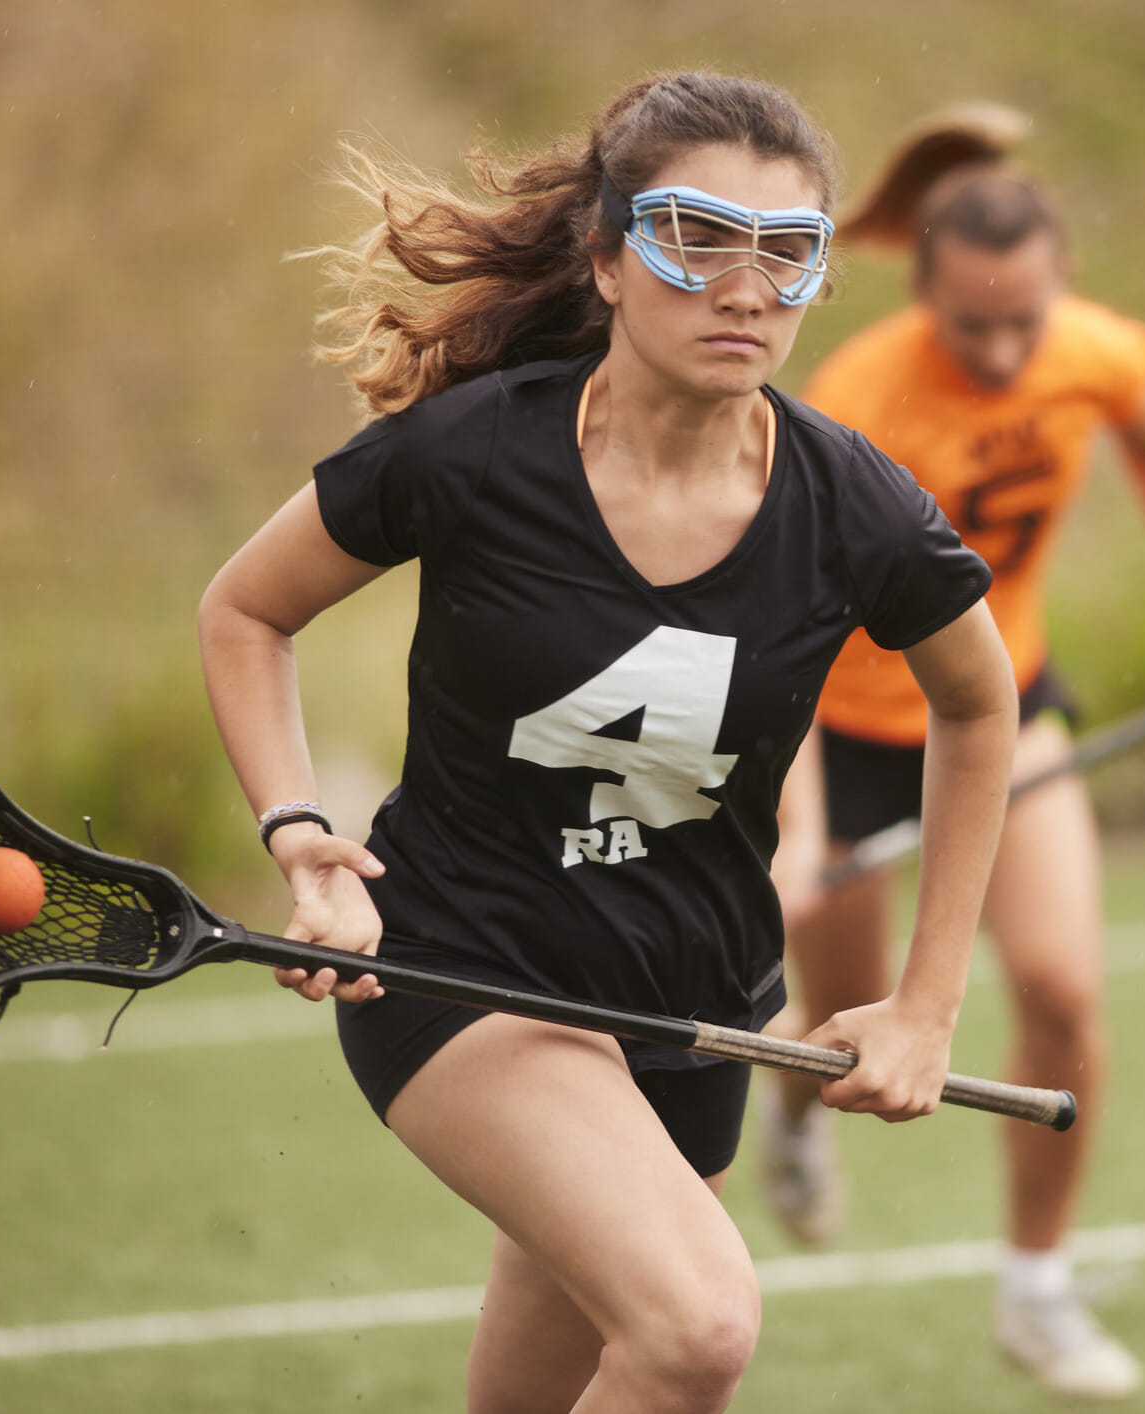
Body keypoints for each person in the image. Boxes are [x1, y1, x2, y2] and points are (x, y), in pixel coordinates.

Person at [197, 73, 1019, 1414]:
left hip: (691, 1000)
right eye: (696, 238)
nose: (745, 288)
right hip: (461, 963)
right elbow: (244, 611)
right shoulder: (468, 455)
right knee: (696, 1326)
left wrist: (926, 1005)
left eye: (788, 253)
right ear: (608, 255)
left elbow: (980, 705)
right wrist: (301, 837)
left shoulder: (855, 505)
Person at [762, 104, 1145, 1401]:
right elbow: (781, 627)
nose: (1000, 350)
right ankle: (788, 1123)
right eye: (970, 323)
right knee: (835, 1016)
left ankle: (1038, 1287)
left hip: (998, 707)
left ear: (1062, 285)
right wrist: (800, 824)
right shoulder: (854, 399)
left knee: (1058, 989)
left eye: (1023, 320)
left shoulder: (1093, 353)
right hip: (838, 720)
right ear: (919, 291)